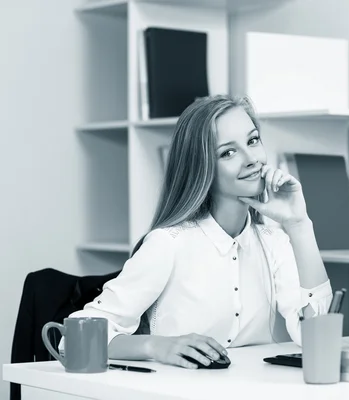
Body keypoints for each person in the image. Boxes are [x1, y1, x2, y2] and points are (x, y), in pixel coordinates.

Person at [64, 94, 333, 369]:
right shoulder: (168, 243)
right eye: (228, 152)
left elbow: (317, 340)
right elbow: (71, 339)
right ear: (202, 167)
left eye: (252, 141)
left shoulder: (274, 243)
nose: (252, 159)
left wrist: (299, 224)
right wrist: (158, 346)